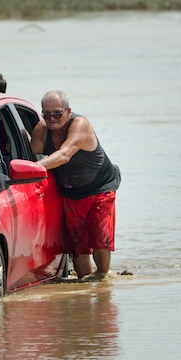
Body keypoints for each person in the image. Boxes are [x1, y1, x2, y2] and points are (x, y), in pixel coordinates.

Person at [30, 90, 121, 281]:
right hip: (71, 192)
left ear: (69, 111)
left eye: (57, 113)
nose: (52, 118)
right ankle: (84, 284)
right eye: (47, 114)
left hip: (100, 187)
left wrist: (34, 168)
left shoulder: (80, 125)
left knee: (99, 239)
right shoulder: (41, 130)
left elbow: (63, 155)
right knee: (77, 245)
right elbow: (32, 152)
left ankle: (103, 276)